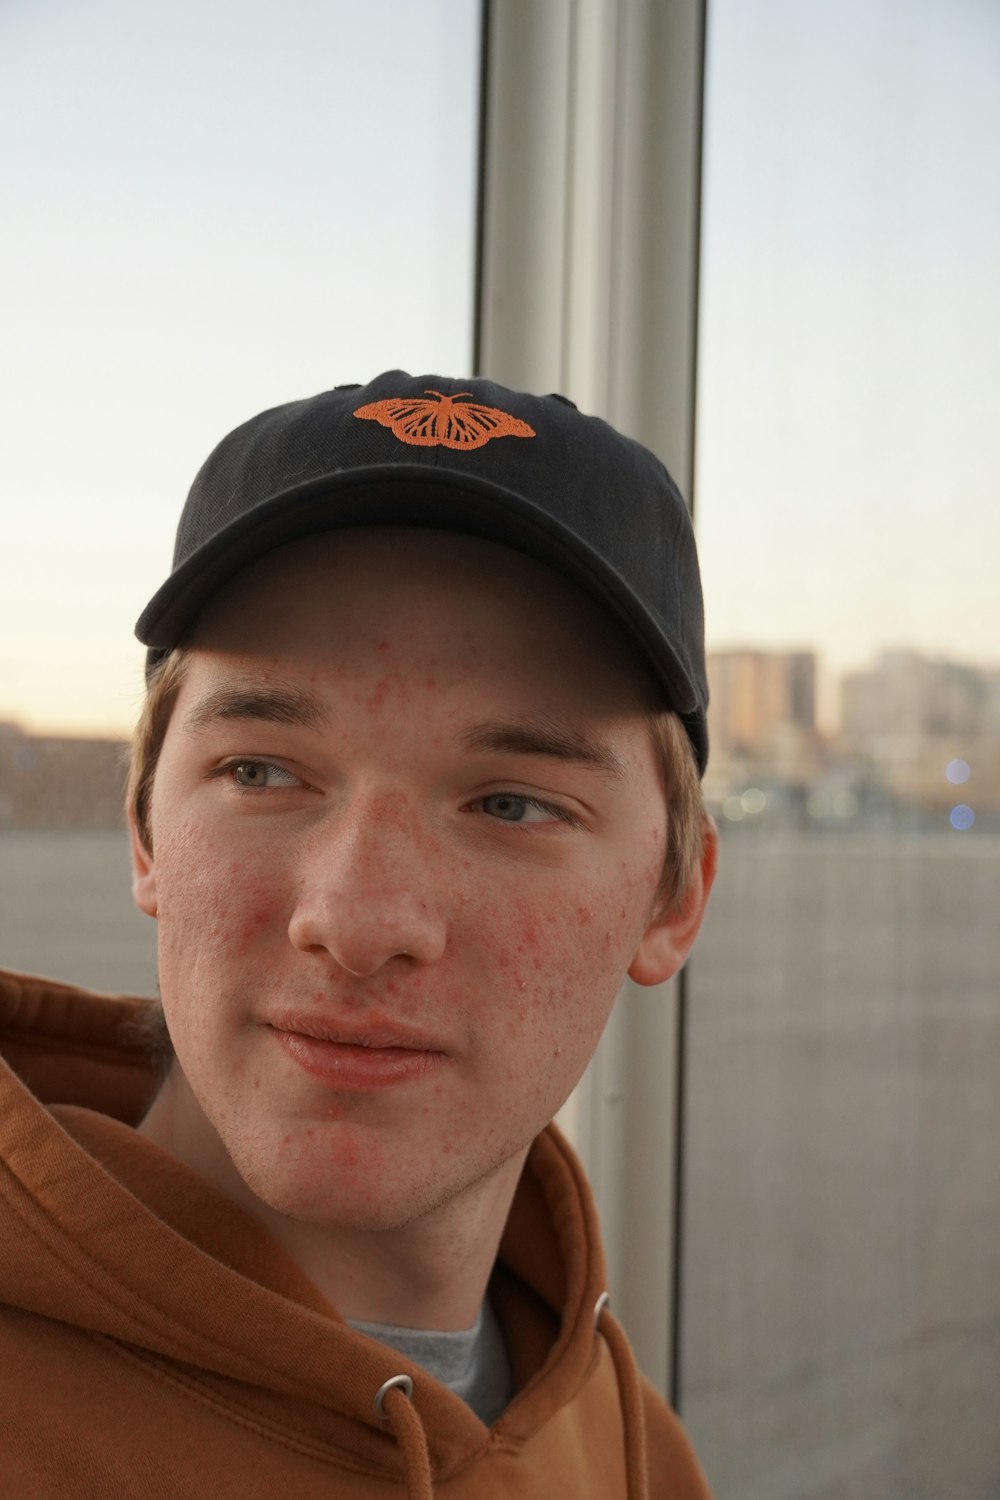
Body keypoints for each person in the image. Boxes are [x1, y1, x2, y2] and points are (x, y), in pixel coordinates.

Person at [0, 371, 718, 1498]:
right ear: (145, 831)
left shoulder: (625, 1445)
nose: (356, 920)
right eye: (261, 772)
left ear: (673, 897)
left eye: (511, 804)